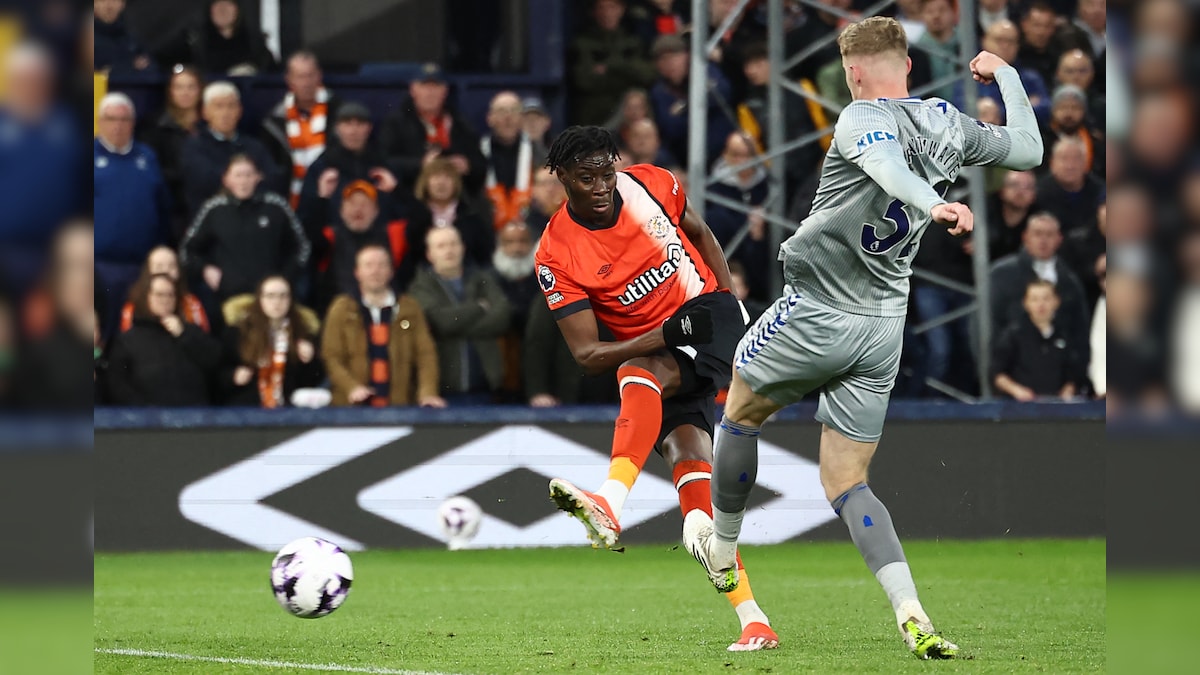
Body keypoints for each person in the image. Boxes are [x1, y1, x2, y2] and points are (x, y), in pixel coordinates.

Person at [685, 18, 1043, 660]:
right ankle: (912, 612)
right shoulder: (948, 123)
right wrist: (1009, 76)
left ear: (852, 71)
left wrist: (931, 205)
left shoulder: (859, 117)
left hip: (817, 309)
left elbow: (883, 164)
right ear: (907, 64)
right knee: (848, 481)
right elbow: (1027, 150)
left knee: (738, 412)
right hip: (882, 328)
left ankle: (725, 547)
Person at [535, 126, 779, 652]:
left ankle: (610, 499)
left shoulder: (650, 184)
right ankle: (754, 620)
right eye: (587, 178)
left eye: (607, 172)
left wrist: (728, 299)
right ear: (562, 178)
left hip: (706, 317)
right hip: (664, 346)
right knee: (695, 493)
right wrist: (662, 335)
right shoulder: (556, 254)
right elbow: (586, 355)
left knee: (636, 371)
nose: (602, 186)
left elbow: (701, 231)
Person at [321, 245, 445, 408]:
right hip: (350, 408)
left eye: (381, 265)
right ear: (357, 272)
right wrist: (351, 387)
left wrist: (428, 393)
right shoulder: (341, 308)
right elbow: (331, 356)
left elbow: (425, 355)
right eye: (369, 265)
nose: (375, 271)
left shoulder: (409, 307)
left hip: (399, 406)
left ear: (391, 271)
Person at [180, 154, 311, 305]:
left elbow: (302, 247)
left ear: (258, 177)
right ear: (226, 179)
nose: (243, 181)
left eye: (248, 175)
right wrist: (205, 269)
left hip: (272, 298)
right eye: (238, 175)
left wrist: (284, 278)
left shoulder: (275, 206)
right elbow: (187, 250)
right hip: (228, 297)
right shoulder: (214, 209)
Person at [409, 226, 511, 403]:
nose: (449, 250)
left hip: (486, 388)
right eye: (441, 246)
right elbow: (442, 322)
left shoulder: (482, 279)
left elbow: (502, 316)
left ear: (462, 248)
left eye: (453, 244)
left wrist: (456, 328)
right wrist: (479, 308)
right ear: (430, 254)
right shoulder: (421, 287)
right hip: (443, 391)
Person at [105, 273, 222, 406]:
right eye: (159, 294)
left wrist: (184, 335)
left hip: (194, 413)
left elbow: (215, 361)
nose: (166, 300)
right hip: (145, 416)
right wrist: (144, 412)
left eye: (170, 295)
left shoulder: (191, 331)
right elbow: (118, 385)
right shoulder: (127, 340)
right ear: (146, 297)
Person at [220, 276, 323, 407]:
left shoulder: (302, 331)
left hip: (289, 409)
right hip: (246, 409)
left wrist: (310, 360)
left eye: (283, 296)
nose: (277, 302)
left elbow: (313, 381)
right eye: (270, 296)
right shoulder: (238, 332)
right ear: (259, 299)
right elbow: (219, 373)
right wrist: (233, 376)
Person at [262, 50, 342, 209]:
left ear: (319, 76)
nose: (306, 83)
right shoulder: (274, 120)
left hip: (333, 198)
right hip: (289, 201)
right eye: (300, 77)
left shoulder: (339, 113)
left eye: (310, 75)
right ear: (289, 80)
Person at [991, 279, 1086, 401]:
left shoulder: (1066, 334)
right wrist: (1016, 390)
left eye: (1046, 299)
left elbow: (1074, 373)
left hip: (1058, 406)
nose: (1041, 304)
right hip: (1020, 406)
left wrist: (1069, 389)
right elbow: (997, 373)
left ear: (1056, 301)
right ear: (1025, 303)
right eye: (1034, 299)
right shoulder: (1012, 335)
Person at [141, 65, 205, 239]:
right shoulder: (155, 126)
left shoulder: (210, 124)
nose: (185, 93)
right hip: (171, 207)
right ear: (170, 91)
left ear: (200, 90)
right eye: (179, 87)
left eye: (191, 87)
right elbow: (151, 169)